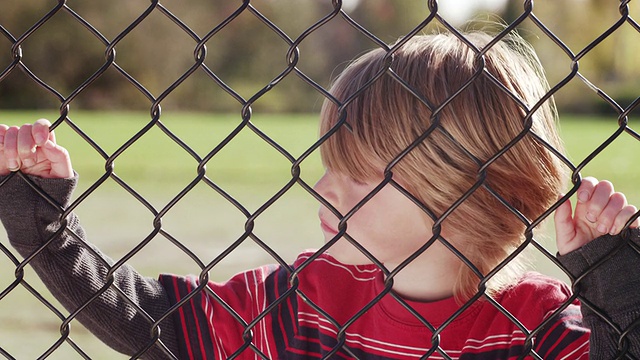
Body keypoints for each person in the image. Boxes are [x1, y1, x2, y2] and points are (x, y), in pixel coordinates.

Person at [1, 31, 639, 359]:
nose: (323, 182)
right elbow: (144, 319)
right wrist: (42, 221)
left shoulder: (544, 325)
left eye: (355, 168)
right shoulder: (307, 301)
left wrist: (616, 283)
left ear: (455, 190)